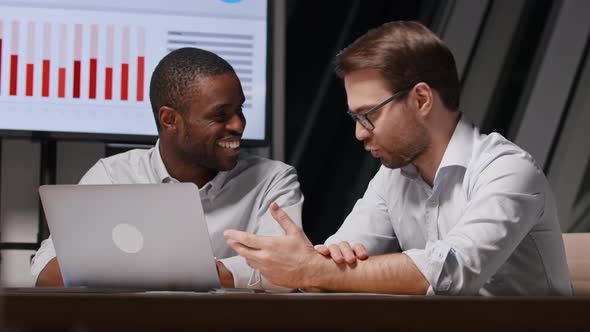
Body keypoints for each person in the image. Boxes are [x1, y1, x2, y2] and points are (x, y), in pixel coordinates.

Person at [224, 21, 573, 295]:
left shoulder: (508, 170)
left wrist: (317, 269)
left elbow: (453, 271)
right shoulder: (394, 176)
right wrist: (313, 266)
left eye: (368, 114)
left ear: (421, 99)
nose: (360, 133)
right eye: (355, 118)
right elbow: (330, 262)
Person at [31, 47, 303, 291]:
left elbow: (290, 269)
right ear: (170, 119)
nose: (238, 125)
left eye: (239, 110)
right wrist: (194, 273)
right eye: (220, 115)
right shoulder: (114, 175)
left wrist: (162, 271)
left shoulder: (272, 179)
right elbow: (44, 271)